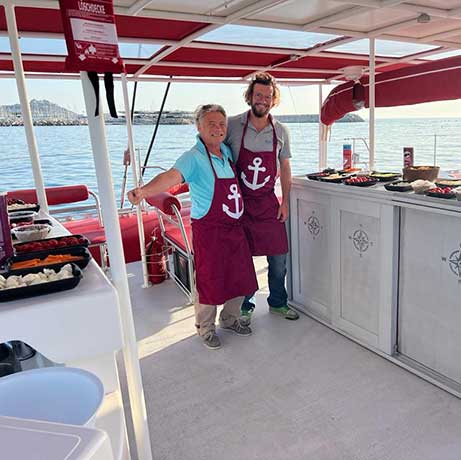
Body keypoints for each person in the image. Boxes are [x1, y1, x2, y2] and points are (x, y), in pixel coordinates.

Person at [128, 104, 257, 349]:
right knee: (208, 280)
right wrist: (143, 191)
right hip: (209, 229)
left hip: (235, 227)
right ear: (198, 127)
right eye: (211, 124)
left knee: (239, 275)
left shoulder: (227, 152)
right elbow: (170, 177)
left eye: (221, 124)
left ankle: (229, 320)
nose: (218, 128)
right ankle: (205, 329)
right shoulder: (193, 157)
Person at [225, 72, 299, 323]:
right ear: (250, 97)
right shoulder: (232, 124)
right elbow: (218, 158)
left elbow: (285, 167)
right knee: (243, 257)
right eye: (258, 95)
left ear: (273, 100)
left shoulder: (281, 131)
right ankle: (246, 304)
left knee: (279, 255)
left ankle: (278, 302)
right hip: (239, 204)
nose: (262, 101)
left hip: (268, 203)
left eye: (267, 97)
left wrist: (285, 201)